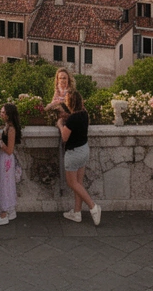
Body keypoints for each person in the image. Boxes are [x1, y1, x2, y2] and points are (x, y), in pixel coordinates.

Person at [58, 90, 101, 225]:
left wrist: (60, 125)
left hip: (74, 153)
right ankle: (77, 213)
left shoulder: (72, 119)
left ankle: (93, 206)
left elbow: (65, 137)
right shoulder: (84, 114)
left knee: (72, 183)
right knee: (78, 184)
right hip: (84, 150)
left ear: (70, 102)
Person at [0, 102, 22, 226]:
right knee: (4, 183)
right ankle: (10, 211)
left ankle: (3, 214)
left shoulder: (11, 129)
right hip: (2, 158)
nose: (0, 114)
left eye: (3, 112)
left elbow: (9, 150)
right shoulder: (7, 126)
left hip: (6, 159)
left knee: (4, 184)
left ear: (9, 115)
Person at [46, 69, 75, 195]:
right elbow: (52, 105)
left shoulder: (71, 92)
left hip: (68, 126)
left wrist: (55, 105)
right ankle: (63, 183)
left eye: (64, 78)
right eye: (60, 78)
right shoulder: (57, 91)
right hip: (60, 124)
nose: (62, 80)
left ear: (68, 79)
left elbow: (68, 108)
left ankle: (67, 184)